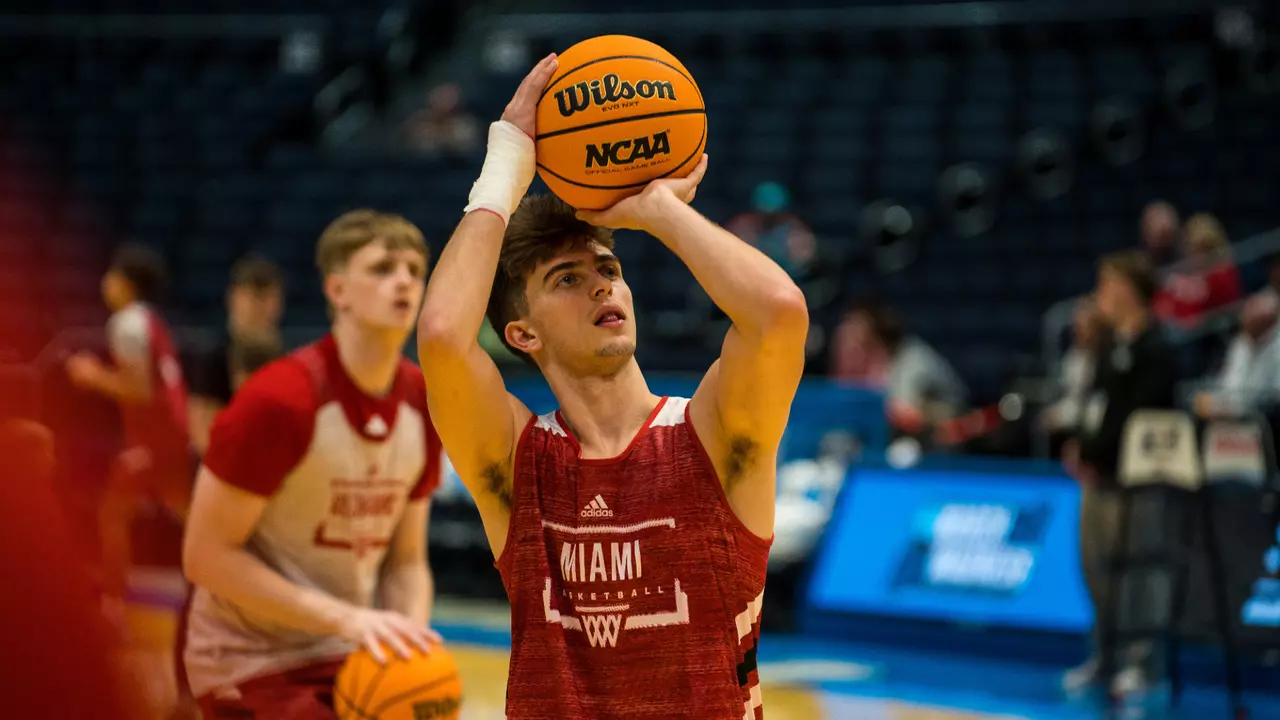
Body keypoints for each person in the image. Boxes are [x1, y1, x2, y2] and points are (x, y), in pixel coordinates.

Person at [418, 55, 809, 719]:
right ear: (522, 334)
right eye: (567, 279)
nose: (603, 285)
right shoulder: (517, 461)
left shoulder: (712, 435)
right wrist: (505, 165)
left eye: (609, 268)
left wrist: (658, 210)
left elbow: (779, 313)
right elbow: (440, 337)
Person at [181, 209, 444, 719]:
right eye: (383, 268)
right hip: (250, 660)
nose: (404, 281)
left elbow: (406, 560)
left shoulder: (424, 402)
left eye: (415, 270)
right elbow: (205, 556)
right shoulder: (280, 400)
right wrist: (347, 620)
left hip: (343, 651)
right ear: (337, 290)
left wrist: (408, 637)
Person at [1062, 250, 1179, 698]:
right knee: (1097, 568)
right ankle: (1104, 656)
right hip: (1098, 478)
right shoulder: (1108, 347)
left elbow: (1137, 417)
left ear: (1128, 290)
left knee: (1140, 571)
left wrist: (1097, 448)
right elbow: (1096, 405)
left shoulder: (1158, 349)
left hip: (1138, 480)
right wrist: (1079, 444)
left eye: (1107, 285)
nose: (1100, 295)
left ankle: (1142, 664)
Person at [64, 244, 193, 623]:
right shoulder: (149, 320)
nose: (105, 283)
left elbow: (139, 390)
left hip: (155, 438)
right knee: (189, 517)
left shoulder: (126, 323)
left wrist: (91, 375)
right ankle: (223, 596)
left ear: (125, 283)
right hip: (172, 434)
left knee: (113, 513)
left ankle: (113, 604)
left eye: (111, 276)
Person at [186, 255, 285, 455]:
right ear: (234, 298)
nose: (261, 307)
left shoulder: (285, 357)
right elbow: (201, 427)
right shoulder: (214, 356)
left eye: (268, 298)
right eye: (254, 297)